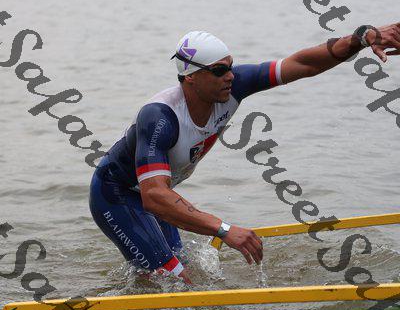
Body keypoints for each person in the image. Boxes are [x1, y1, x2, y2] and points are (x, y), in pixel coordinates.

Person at [89, 25, 400, 283]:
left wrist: (360, 38)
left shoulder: (234, 87)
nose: (230, 76)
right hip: (115, 194)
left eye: (230, 66)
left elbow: (304, 64)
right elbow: (154, 196)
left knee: (181, 270)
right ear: (190, 76)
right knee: (175, 279)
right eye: (219, 70)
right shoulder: (159, 117)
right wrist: (225, 230)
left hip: (158, 195)